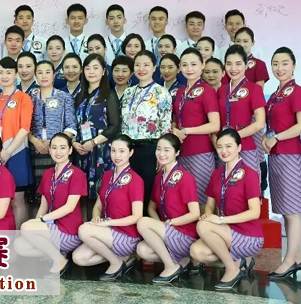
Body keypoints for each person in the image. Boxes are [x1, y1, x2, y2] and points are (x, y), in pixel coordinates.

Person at [191, 129, 265, 291]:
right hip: (225, 231)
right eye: (219, 147)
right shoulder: (217, 174)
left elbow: (255, 212)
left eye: (228, 146)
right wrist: (207, 215)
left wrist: (220, 220)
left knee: (203, 226)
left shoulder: (250, 174)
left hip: (248, 234)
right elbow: (210, 205)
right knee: (196, 252)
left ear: (239, 147)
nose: (223, 151)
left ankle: (232, 269)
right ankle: (238, 261)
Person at [263, 48, 301, 280]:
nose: (279, 68)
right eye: (275, 63)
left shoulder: (298, 92)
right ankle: (298, 258)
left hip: (290, 155)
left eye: (284, 63)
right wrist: (267, 139)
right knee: (285, 211)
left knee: (292, 212)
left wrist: (276, 138)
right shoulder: (275, 95)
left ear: (294, 66)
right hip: (275, 155)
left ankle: (288, 261)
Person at [73, 135, 144, 280]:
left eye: (122, 151)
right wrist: (96, 219)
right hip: (107, 231)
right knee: (78, 258)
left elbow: (137, 216)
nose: (117, 155)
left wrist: (107, 223)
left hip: (127, 234)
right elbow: (97, 207)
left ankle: (116, 263)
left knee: (84, 230)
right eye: (113, 151)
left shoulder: (136, 180)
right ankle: (123, 258)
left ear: (130, 152)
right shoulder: (107, 176)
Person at [135, 134, 202, 283]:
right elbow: (151, 207)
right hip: (168, 230)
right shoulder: (159, 177)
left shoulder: (185, 177)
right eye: (158, 149)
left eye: (167, 150)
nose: (161, 154)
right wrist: (160, 226)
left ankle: (171, 266)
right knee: (142, 250)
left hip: (184, 234)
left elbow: (195, 213)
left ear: (177, 152)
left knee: (142, 222)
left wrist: (171, 223)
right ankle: (182, 260)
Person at [18, 133, 87, 274]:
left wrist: (41, 221)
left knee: (26, 227)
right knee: (20, 246)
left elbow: (69, 207)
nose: (58, 152)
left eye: (62, 148)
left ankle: (60, 261)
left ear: (70, 150)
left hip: (69, 230)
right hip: (51, 227)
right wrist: (36, 222)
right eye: (54, 148)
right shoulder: (48, 173)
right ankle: (57, 254)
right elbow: (43, 206)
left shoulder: (77, 174)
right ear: (49, 150)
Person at [0, 57, 36, 225]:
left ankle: (20, 237)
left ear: (16, 75)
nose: (4, 76)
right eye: (1, 72)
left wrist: (8, 151)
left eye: (8, 72)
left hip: (16, 152)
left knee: (17, 200)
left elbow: (24, 128)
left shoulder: (23, 98)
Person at [169, 49, 221, 203]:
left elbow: (215, 125)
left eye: (193, 64)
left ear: (202, 65)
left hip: (201, 152)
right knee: (186, 198)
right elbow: (175, 118)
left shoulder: (207, 91)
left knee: (202, 198)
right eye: (185, 65)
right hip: (181, 151)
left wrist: (188, 131)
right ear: (180, 67)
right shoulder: (180, 92)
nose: (189, 69)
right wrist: (174, 130)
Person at [120, 51, 173, 199]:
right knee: (128, 191)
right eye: (137, 65)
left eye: (146, 65)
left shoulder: (161, 92)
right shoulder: (128, 92)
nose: (141, 69)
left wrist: (162, 154)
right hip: (128, 150)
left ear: (154, 67)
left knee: (146, 191)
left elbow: (165, 125)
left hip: (150, 149)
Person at [74, 54, 124, 210]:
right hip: (82, 151)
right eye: (88, 68)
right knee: (81, 194)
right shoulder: (79, 96)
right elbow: (74, 124)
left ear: (103, 71)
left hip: (101, 151)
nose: (91, 72)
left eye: (96, 68)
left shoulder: (109, 95)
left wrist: (93, 142)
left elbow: (114, 126)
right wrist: (74, 142)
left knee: (100, 194)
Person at [28, 60, 76, 213]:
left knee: (58, 192)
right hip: (35, 150)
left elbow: (71, 126)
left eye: (47, 72)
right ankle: (36, 224)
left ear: (54, 75)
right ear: (35, 76)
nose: (44, 76)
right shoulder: (29, 98)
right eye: (40, 73)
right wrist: (35, 141)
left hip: (58, 151)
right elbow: (24, 126)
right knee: (37, 193)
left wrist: (53, 143)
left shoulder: (64, 97)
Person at [219, 46, 267, 173]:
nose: (233, 68)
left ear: (246, 66)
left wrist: (233, 137)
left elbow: (260, 123)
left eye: (238, 64)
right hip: (223, 149)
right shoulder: (221, 90)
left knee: (248, 183)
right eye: (229, 64)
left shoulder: (254, 89)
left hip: (245, 147)